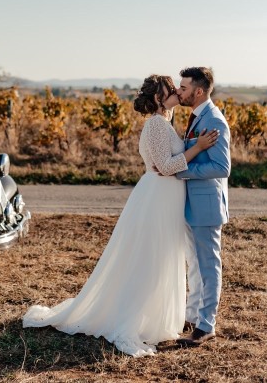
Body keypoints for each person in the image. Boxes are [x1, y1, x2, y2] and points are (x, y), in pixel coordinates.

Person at [22, 74, 218, 357]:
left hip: (164, 197)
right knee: (151, 257)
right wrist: (198, 148)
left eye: (177, 88)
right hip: (158, 197)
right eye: (170, 90)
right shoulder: (156, 126)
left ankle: (156, 316)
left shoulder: (164, 124)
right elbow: (165, 166)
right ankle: (135, 318)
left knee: (162, 257)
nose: (177, 92)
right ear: (158, 99)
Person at [174, 66, 231, 347]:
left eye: (183, 88)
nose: (179, 92)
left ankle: (207, 324)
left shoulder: (215, 121)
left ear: (198, 91)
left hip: (206, 206)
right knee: (194, 263)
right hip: (192, 204)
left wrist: (182, 171)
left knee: (209, 266)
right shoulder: (198, 117)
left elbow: (222, 167)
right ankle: (193, 314)